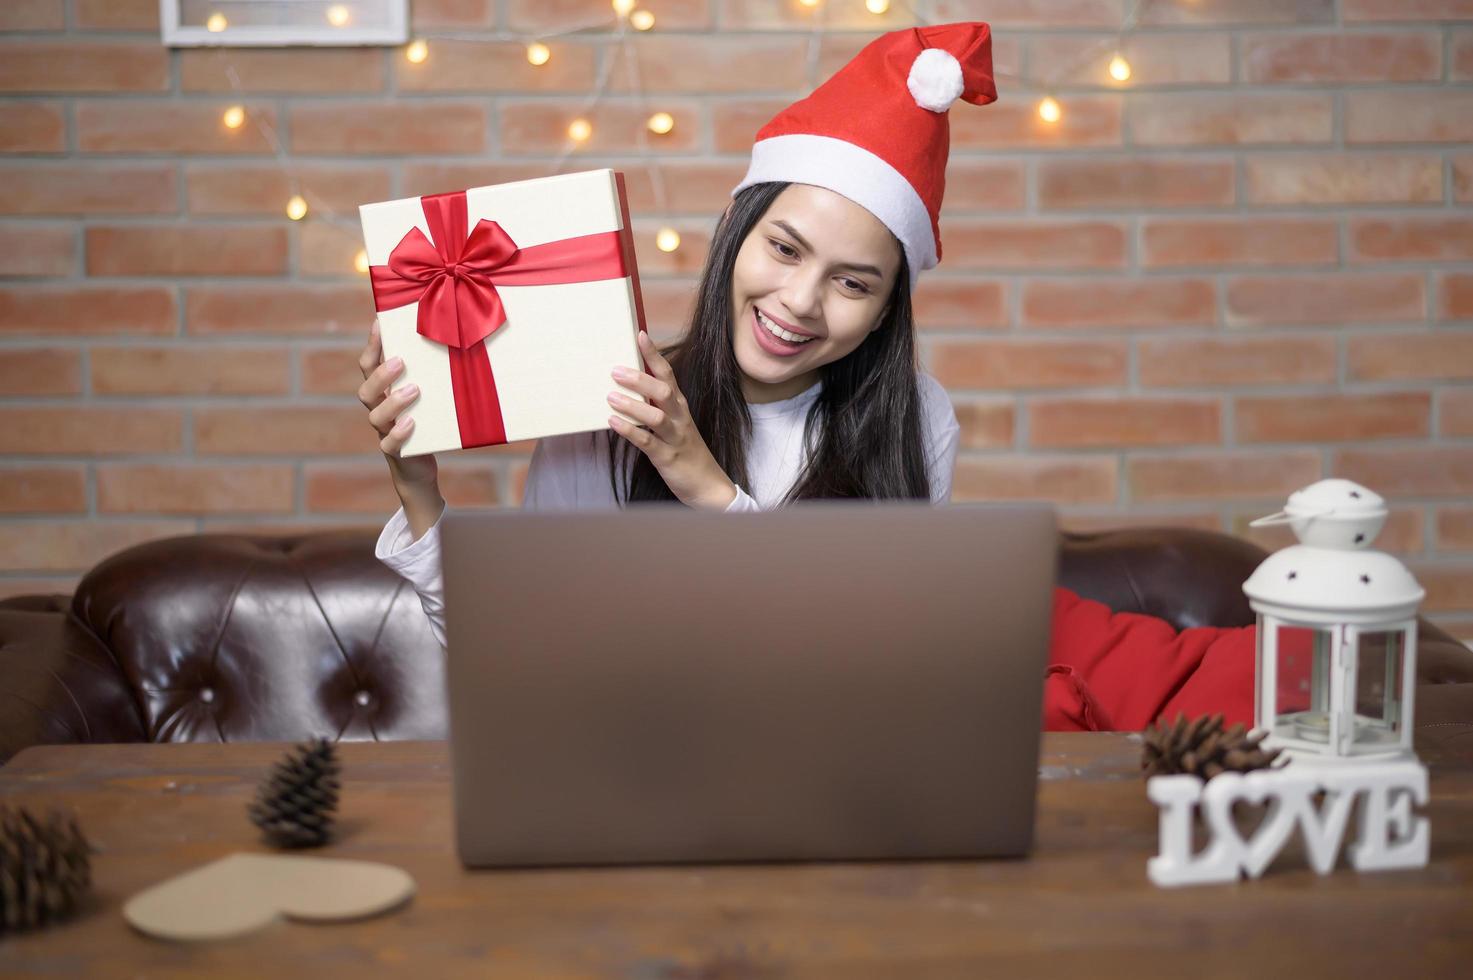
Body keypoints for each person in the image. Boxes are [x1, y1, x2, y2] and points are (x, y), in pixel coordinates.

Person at [360, 23, 1259, 733]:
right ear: (735, 237)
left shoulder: (916, 420)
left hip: (840, 770)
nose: (798, 301)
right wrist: (417, 489)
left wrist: (703, 483)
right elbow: (519, 654)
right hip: (634, 760)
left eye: (852, 282)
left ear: (883, 311)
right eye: (784, 249)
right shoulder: (608, 400)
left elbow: (862, 655)